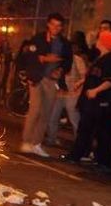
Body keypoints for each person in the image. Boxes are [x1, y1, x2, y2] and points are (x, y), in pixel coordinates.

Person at [66, 30, 111, 170]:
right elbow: (93, 75)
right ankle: (77, 155)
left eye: (99, 39)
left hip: (102, 102)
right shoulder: (100, 57)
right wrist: (81, 82)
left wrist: (96, 90)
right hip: (92, 102)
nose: (96, 41)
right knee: (85, 129)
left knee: (103, 132)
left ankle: (103, 161)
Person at [19, 13, 72, 157]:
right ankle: (26, 141)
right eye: (53, 24)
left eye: (59, 26)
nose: (55, 28)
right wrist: (43, 59)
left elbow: (68, 62)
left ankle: (36, 143)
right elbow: (29, 57)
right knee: (35, 110)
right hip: (37, 78)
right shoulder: (38, 38)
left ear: (62, 27)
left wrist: (60, 70)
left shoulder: (64, 44)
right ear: (48, 24)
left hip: (52, 81)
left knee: (46, 113)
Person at [47, 30, 88, 144]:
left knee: (74, 118)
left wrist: (78, 84)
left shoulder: (77, 60)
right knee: (52, 116)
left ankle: (79, 142)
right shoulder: (59, 59)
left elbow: (85, 76)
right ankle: (51, 138)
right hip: (59, 92)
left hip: (73, 94)